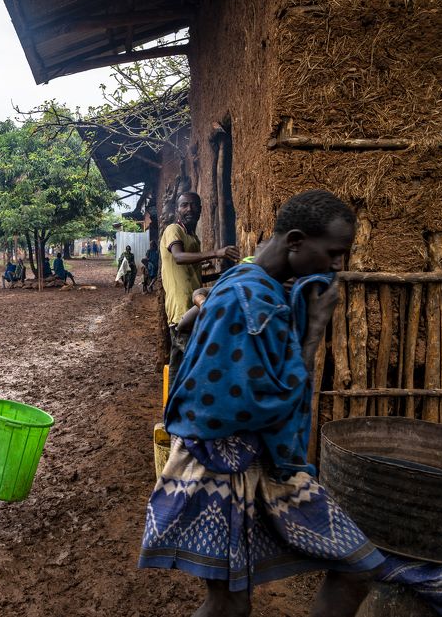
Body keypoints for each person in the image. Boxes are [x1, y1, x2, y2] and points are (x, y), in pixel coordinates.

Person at [140, 190, 382, 617]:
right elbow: (267, 400)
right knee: (234, 602)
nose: (338, 266)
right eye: (333, 253)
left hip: (243, 458)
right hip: (219, 463)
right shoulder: (252, 299)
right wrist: (313, 330)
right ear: (294, 241)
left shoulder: (247, 281)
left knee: (241, 600)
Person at [161, 192, 240, 386]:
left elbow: (194, 276)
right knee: (200, 365)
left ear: (201, 209)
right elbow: (179, 258)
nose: (189, 209)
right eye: (184, 205)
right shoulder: (173, 230)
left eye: (193, 205)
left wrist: (224, 276)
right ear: (177, 210)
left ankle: (172, 410)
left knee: (177, 367)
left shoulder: (192, 238)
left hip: (193, 308)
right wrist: (216, 253)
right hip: (181, 308)